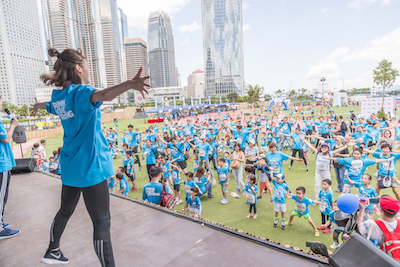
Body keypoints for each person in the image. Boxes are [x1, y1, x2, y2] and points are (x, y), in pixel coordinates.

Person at [31, 47, 149, 266]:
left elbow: (49, 106)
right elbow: (102, 95)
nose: (88, 68)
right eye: (86, 64)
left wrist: (38, 105)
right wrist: (129, 85)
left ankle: (53, 250)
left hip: (70, 165)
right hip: (91, 166)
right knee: (102, 223)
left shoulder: (59, 96)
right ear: (78, 67)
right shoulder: (81, 92)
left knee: (65, 210)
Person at [0, 96, 20, 240]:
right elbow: (6, 139)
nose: (2, 104)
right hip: (2, 164)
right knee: (1, 196)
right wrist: (12, 125)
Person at [358, 196, 400, 260]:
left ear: (380, 209)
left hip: (383, 261)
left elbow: (360, 227)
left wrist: (362, 210)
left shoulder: (372, 224)